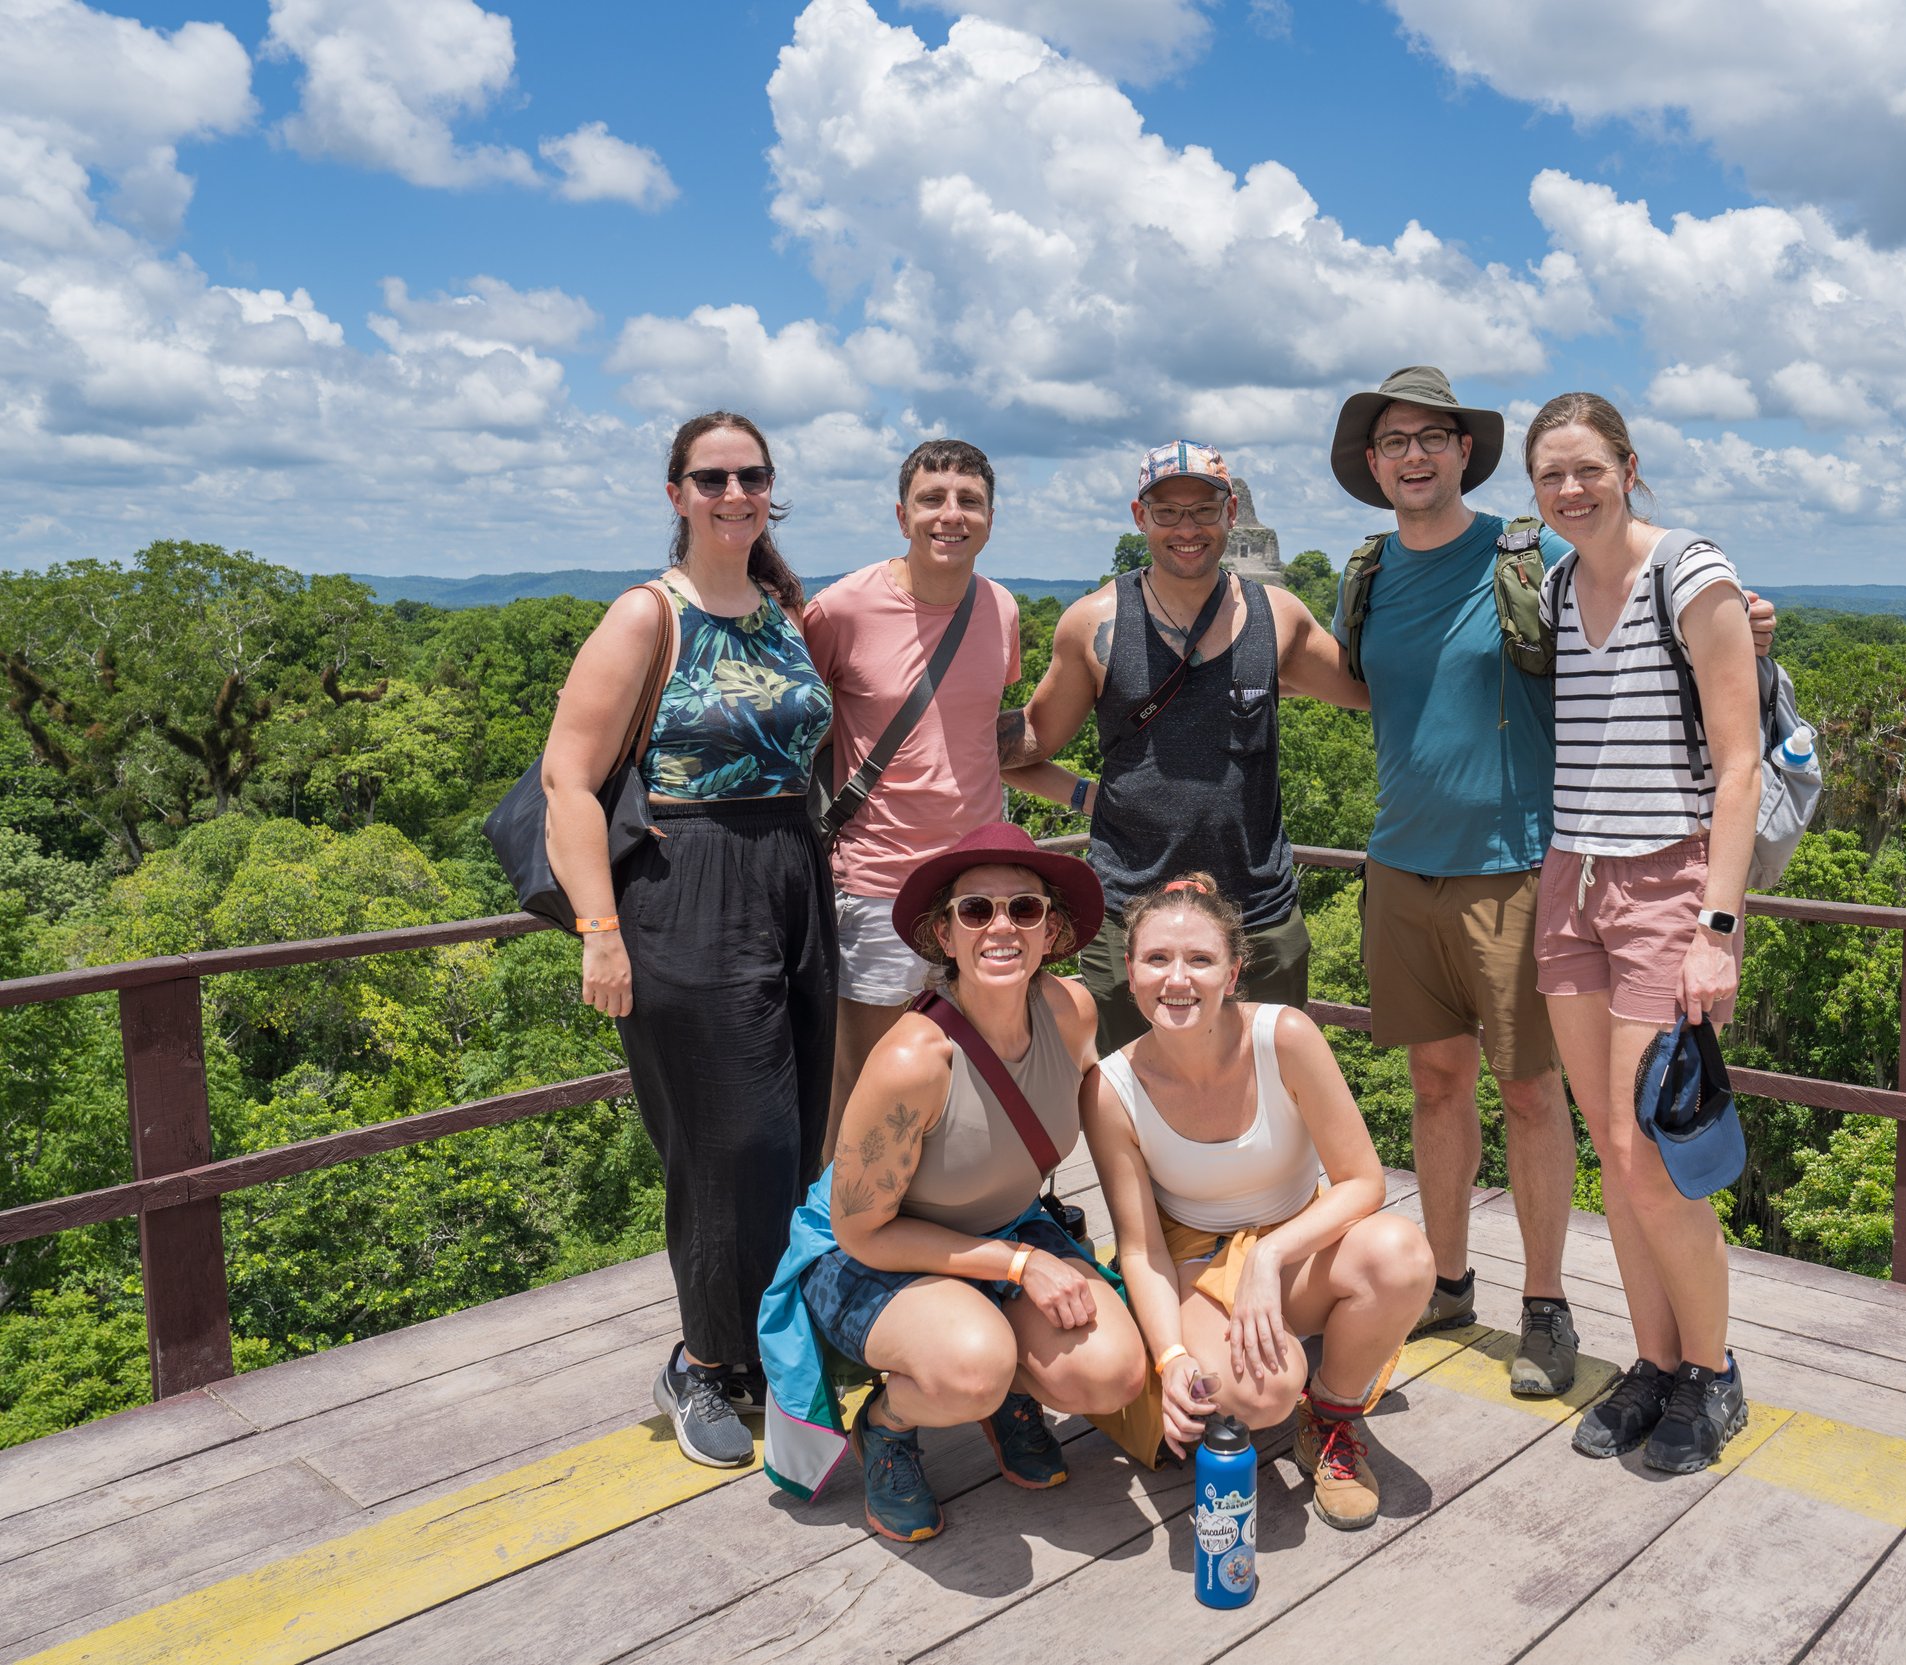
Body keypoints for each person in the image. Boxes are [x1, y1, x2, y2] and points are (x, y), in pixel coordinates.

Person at [1323, 367, 1778, 1403]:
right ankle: (1478, 1295)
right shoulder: (1386, 577)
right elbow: (1351, 684)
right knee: (1461, 1095)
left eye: (1432, 436)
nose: (1412, 455)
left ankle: (1585, 1323)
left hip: (1545, 869)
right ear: (1370, 463)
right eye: (1392, 441)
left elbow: (1708, 708)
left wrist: (1743, 629)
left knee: (1575, 1115)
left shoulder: (1529, 564)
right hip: (1431, 864)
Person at [542, 410, 838, 1468]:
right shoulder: (645, 615)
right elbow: (567, 780)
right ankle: (701, 1367)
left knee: (799, 1137)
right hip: (689, 885)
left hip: (794, 874)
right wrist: (599, 931)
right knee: (728, 1149)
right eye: (709, 477)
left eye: (750, 474)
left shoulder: (781, 608)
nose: (732, 492)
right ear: (676, 494)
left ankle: (762, 1350)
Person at [1524, 391, 1759, 1473]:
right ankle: (1653, 1365)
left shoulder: (1690, 572)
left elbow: (1739, 762)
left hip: (1668, 885)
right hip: (1569, 881)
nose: (1570, 490)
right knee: (1612, 1158)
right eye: (1548, 476)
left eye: (1586, 469)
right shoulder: (1555, 584)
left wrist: (1716, 923)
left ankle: (1712, 1373)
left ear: (1628, 465)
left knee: (1651, 1155)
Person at [802, 823, 1147, 1543]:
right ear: (943, 935)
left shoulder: (1070, 1011)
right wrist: (1022, 1263)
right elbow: (861, 1228)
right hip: (877, 1257)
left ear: (1051, 930)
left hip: (1009, 1228)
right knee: (971, 1364)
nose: (1001, 927)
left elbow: (1121, 1116)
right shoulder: (914, 1061)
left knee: (1114, 1373)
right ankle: (889, 1423)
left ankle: (1002, 1394)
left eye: (1024, 909)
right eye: (975, 910)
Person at [1084, 875, 1434, 1531]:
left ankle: (1330, 1419)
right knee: (1261, 1391)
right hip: (1197, 1259)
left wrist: (1270, 1258)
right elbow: (1140, 1247)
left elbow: (1364, 1181)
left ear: (1235, 971)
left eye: (1200, 959)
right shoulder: (1111, 1088)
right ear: (1129, 973)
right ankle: (1268, 1376)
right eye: (1157, 958)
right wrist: (1171, 1356)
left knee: (1403, 1255)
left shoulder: (1286, 1037)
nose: (1177, 979)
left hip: (1296, 1245)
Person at [999, 440, 1367, 1052]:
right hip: (1131, 918)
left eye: (1203, 509)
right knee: (1132, 1100)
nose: (1186, 528)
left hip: (1257, 913)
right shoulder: (1092, 623)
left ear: (1230, 514)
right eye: (1167, 512)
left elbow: (1370, 691)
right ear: (1140, 518)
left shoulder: (1279, 617)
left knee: (1270, 1096)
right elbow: (1030, 739)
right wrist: (1086, 795)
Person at [801, 441, 1082, 1143]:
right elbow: (797, 731)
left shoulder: (1000, 609)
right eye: (932, 499)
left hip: (983, 889)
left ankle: (960, 1223)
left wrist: (1087, 796)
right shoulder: (842, 610)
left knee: (980, 1069)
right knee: (867, 1085)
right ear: (902, 515)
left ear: (990, 518)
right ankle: (848, 1242)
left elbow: (982, 737)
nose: (949, 515)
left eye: (968, 501)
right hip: (876, 882)